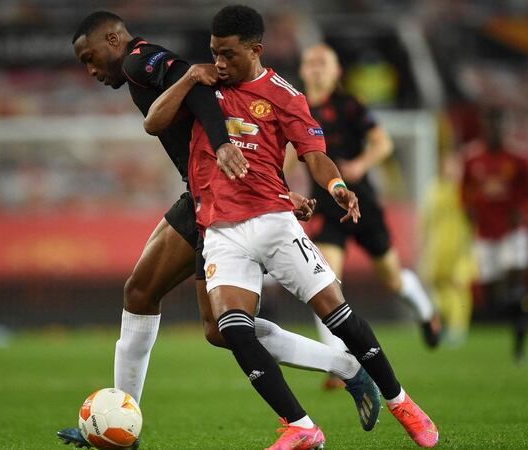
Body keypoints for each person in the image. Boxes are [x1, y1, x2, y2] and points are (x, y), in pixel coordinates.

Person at [59, 11, 380, 448]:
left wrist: (224, 143)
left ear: (114, 38)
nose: (91, 70)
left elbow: (203, 92)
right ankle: (345, 367)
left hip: (211, 199)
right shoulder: (140, 66)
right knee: (214, 326)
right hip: (207, 193)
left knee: (145, 294)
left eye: (90, 57)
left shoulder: (140, 60)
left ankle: (123, 424)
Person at [145, 6, 438, 449]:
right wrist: (188, 77)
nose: (219, 63)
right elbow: (154, 122)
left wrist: (336, 184)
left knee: (340, 317)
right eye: (213, 53)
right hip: (221, 229)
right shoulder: (204, 85)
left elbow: (313, 154)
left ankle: (401, 401)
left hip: (274, 221)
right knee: (233, 329)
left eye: (228, 54)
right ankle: (300, 425)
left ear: (255, 50)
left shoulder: (284, 95)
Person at [294, 44, 442, 389]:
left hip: (361, 204)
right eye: (310, 63)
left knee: (391, 279)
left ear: (336, 72)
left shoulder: (350, 105)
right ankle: (339, 364)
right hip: (325, 208)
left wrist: (359, 165)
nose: (315, 69)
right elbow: (288, 155)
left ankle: (425, 311)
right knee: (323, 280)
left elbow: (383, 143)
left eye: (322, 63)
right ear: (302, 71)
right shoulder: (296, 109)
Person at [460, 107, 528, 362]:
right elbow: (464, 190)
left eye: (497, 126)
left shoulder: (518, 157)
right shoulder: (473, 158)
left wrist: (522, 210)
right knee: (492, 295)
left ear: (504, 128)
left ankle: (520, 344)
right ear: (484, 128)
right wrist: (468, 209)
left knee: (516, 284)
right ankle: (523, 315)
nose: (493, 131)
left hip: (512, 232)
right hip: (485, 233)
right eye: (489, 126)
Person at [421, 150, 476, 346]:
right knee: (439, 289)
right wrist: (423, 248)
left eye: (453, 165)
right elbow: (425, 222)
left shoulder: (465, 190)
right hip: (437, 249)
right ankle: (444, 325)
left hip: (460, 247)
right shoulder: (434, 189)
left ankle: (458, 328)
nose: (449, 169)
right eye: (446, 165)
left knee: (459, 285)